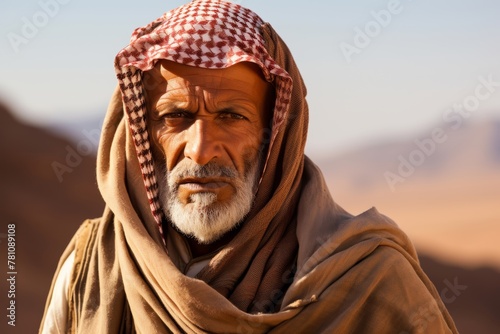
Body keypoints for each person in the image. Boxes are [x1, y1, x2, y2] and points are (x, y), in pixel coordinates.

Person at [40, 0, 458, 333]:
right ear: (142, 137)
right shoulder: (90, 269)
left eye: (231, 117)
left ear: (277, 135)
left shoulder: (371, 283)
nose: (201, 151)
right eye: (176, 116)